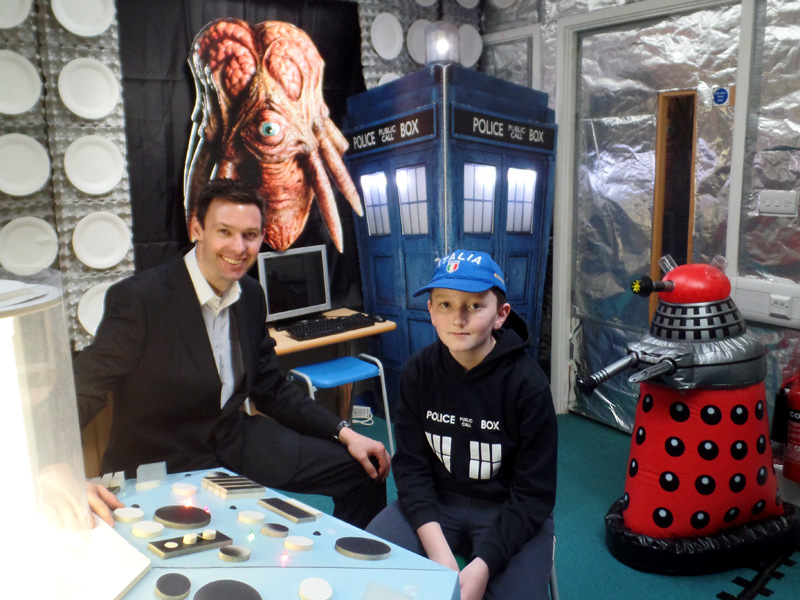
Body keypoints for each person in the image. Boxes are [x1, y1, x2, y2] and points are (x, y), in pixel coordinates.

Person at [73, 178, 390, 529]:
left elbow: (272, 388)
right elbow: (83, 389)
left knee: (364, 471)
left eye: (250, 235)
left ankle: (354, 555)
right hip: (164, 460)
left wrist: (344, 431)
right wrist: (58, 471)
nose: (238, 247)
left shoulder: (250, 295)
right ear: (197, 229)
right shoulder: (140, 298)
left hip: (234, 440)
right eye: (225, 231)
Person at [366, 250, 557, 600]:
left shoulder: (528, 384)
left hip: (508, 509)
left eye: (474, 306)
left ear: (501, 315)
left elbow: (534, 493)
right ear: (430, 312)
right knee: (369, 570)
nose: (458, 318)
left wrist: (485, 564)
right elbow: (411, 469)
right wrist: (439, 554)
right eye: (445, 305)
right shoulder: (418, 372)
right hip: (436, 503)